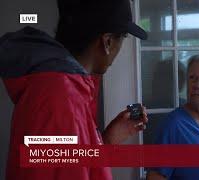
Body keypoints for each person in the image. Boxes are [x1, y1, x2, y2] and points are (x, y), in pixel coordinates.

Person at [0, 0, 148, 179]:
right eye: (123, 38)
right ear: (107, 42)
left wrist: (107, 140)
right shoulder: (60, 97)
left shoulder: (63, 88)